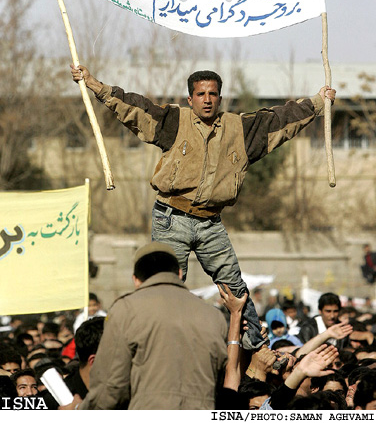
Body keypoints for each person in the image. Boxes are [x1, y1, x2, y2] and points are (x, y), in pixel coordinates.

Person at [71, 63, 335, 351]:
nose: (207, 99)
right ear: (190, 98)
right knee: (166, 286)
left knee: (235, 287)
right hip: (171, 218)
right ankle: (161, 346)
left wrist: (319, 102)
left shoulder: (240, 129)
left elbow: (281, 120)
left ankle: (254, 348)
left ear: (220, 98)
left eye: (213, 94)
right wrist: (95, 84)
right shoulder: (173, 121)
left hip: (211, 223)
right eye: (200, 94)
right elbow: (134, 108)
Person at [63, 242, 228, 410]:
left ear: (136, 280)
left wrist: (78, 411)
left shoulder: (125, 310)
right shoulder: (214, 316)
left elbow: (112, 388)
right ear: (179, 273)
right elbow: (222, 379)